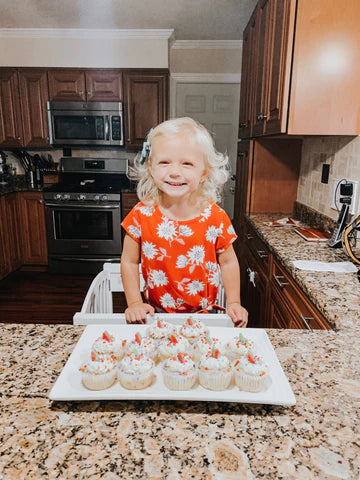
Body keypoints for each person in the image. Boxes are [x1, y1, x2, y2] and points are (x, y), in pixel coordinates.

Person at [121, 117, 248, 327]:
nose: (174, 172)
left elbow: (228, 262)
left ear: (204, 173)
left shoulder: (215, 217)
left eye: (187, 163)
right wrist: (134, 303)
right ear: (151, 168)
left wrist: (234, 302)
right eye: (164, 162)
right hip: (155, 315)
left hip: (205, 316)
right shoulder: (140, 214)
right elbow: (129, 261)